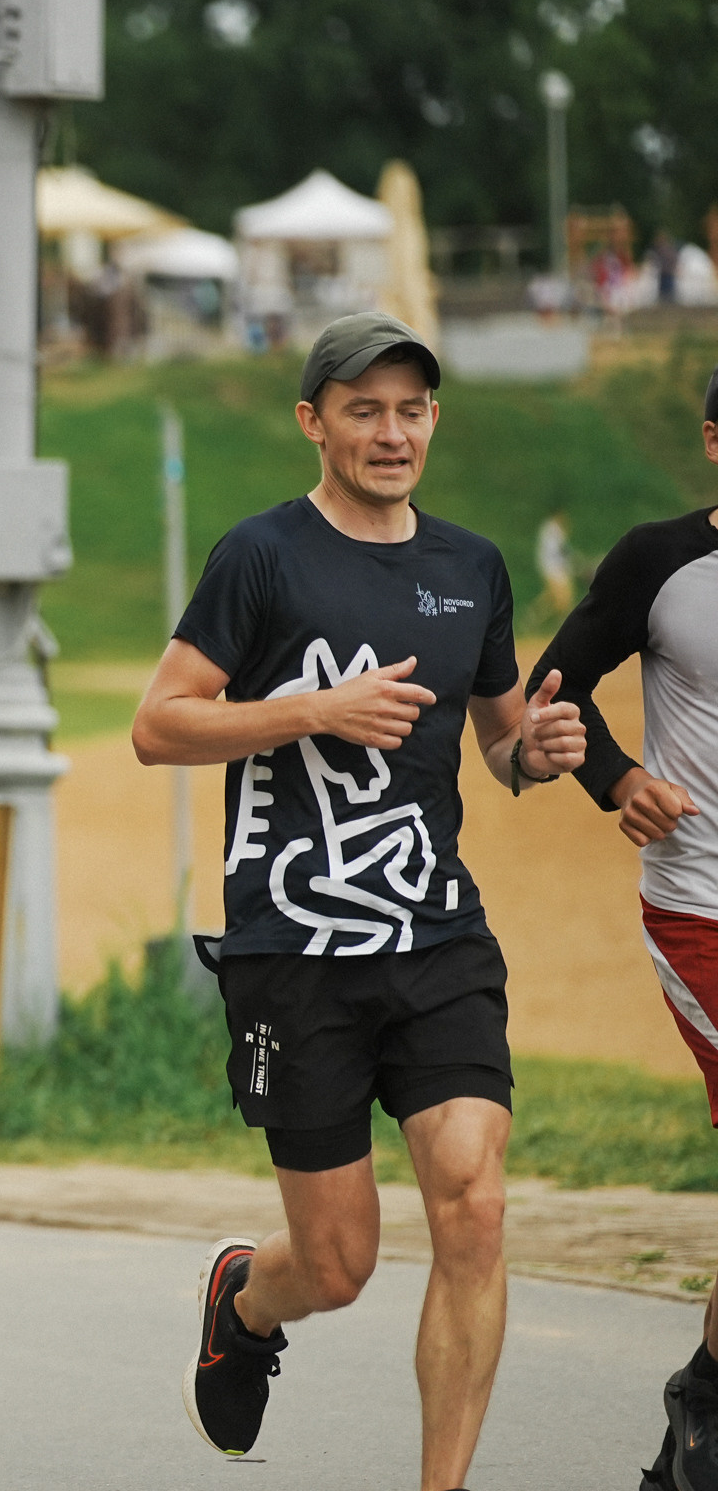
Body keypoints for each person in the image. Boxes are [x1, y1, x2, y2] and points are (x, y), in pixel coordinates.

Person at [131, 312, 586, 1488]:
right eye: (365, 409)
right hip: (297, 948)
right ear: (314, 422)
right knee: (338, 1265)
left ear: (435, 418)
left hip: (436, 932)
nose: (393, 432)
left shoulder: (469, 568)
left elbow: (493, 746)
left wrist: (536, 748)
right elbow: (159, 724)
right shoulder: (262, 556)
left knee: (474, 1206)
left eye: (413, 408)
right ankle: (246, 1297)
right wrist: (309, 711)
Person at [525, 366, 718, 1491]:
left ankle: (693, 1417)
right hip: (701, 903)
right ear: (710, 439)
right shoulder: (659, 560)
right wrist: (615, 776)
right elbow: (552, 684)